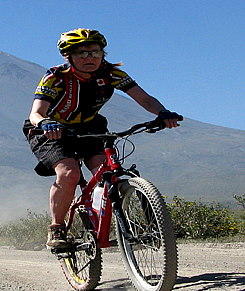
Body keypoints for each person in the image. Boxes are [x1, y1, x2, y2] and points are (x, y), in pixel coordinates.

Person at [22, 28, 181, 249]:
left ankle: (103, 217)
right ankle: (57, 228)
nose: (90, 58)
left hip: (89, 126)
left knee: (105, 170)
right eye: (82, 53)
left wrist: (163, 113)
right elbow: (36, 112)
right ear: (68, 57)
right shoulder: (56, 77)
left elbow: (144, 99)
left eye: (95, 53)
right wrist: (44, 122)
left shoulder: (112, 74)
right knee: (69, 172)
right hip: (50, 129)